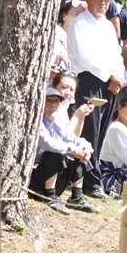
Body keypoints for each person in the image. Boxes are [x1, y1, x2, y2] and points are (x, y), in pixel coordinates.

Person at [67, 0, 125, 198]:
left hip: (109, 83)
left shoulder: (108, 25)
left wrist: (118, 77)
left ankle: (94, 179)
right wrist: (110, 74)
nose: (102, 2)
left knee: (101, 131)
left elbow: (116, 55)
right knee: (89, 130)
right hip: (89, 80)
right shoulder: (80, 23)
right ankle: (88, 182)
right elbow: (86, 57)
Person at [30, 86, 96, 214]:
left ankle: (76, 196)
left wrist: (85, 150)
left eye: (56, 101)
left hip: (52, 178)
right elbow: (47, 144)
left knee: (79, 150)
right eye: (48, 100)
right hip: (35, 179)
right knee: (58, 151)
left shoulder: (56, 125)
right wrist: (72, 150)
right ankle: (49, 196)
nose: (53, 105)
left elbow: (78, 140)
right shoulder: (37, 123)